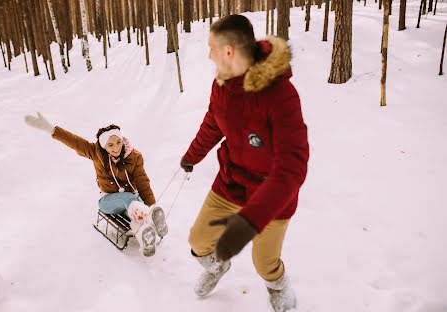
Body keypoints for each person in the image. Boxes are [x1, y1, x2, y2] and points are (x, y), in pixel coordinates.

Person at [180, 15, 309, 311]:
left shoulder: (281, 96)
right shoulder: (222, 85)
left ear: (228, 51)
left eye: (211, 47)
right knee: (198, 243)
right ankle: (216, 268)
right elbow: (213, 123)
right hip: (231, 182)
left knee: (264, 263)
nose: (208, 54)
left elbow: (293, 166)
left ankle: (278, 285)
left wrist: (250, 221)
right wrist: (192, 156)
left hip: (270, 196)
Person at [24, 113, 168, 257]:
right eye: (110, 145)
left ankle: (145, 237)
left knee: (134, 207)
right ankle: (149, 216)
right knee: (129, 199)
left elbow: (143, 183)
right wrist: (50, 129)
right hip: (107, 201)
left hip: (131, 203)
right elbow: (74, 141)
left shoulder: (134, 157)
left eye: (118, 142)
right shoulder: (95, 152)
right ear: (104, 146)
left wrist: (152, 205)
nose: (116, 147)